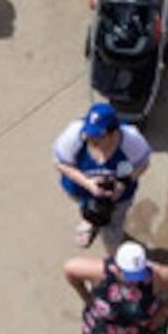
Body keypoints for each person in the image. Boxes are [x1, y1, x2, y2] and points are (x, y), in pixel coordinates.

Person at [54, 101, 155, 250]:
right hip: (82, 189)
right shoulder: (75, 133)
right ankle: (89, 222)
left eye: (98, 136)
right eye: (88, 133)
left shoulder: (131, 140)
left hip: (118, 196)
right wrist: (87, 183)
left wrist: (122, 185)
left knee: (114, 223)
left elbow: (143, 164)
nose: (90, 139)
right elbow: (59, 163)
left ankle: (112, 245)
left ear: (114, 133)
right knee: (86, 208)